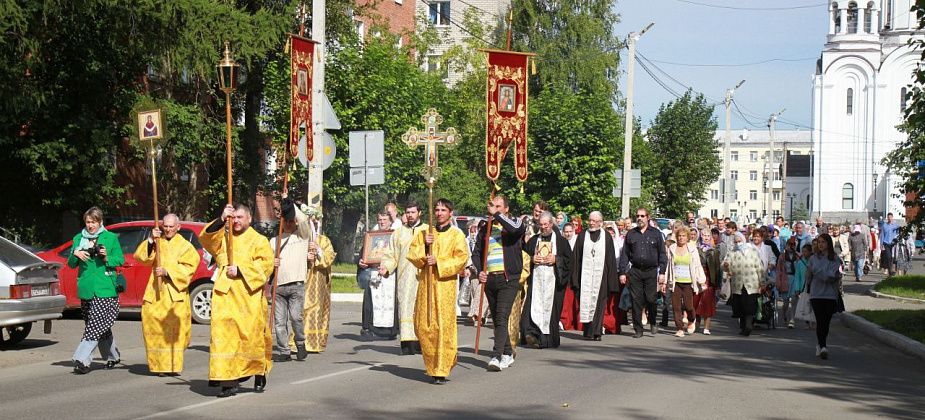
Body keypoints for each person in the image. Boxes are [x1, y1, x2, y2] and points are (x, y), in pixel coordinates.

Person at [199, 203, 274, 397]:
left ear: (249, 219)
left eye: (240, 217)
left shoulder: (259, 240)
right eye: (234, 217)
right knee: (223, 339)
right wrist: (221, 218)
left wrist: (240, 270)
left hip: (247, 296)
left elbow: (266, 267)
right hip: (224, 295)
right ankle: (228, 382)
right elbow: (206, 239)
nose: (237, 221)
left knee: (249, 338)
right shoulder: (224, 237)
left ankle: (258, 370)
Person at [407, 198, 469, 384]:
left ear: (450, 213)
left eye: (443, 210)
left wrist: (439, 263)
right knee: (423, 325)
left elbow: (461, 259)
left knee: (443, 327)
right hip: (426, 284)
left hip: (445, 286)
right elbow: (412, 254)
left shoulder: (457, 235)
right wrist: (425, 247)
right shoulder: (426, 233)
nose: (439, 213)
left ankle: (441, 367)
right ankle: (432, 363)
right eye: (437, 209)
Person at [133, 213, 200, 375]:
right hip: (156, 294)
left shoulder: (185, 246)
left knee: (176, 332)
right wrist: (150, 240)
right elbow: (142, 258)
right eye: (166, 226)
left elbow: (191, 266)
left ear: (178, 227)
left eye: (171, 226)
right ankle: (159, 366)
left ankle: (172, 365)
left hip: (174, 295)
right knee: (154, 330)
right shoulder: (157, 242)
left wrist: (168, 271)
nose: (168, 230)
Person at [472, 195, 526, 371]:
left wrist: (496, 215)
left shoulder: (515, 223)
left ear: (506, 209)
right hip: (490, 278)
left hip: (508, 278)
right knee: (497, 319)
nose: (494, 208)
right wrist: (480, 271)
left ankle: (496, 355)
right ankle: (508, 352)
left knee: (502, 316)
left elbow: (514, 231)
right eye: (492, 206)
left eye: (499, 206)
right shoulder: (485, 228)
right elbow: (477, 252)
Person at [69, 207, 125, 374]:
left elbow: (120, 259)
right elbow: (71, 264)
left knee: (94, 325)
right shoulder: (78, 238)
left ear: (100, 222)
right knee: (98, 325)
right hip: (87, 287)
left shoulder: (110, 238)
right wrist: (76, 254)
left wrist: (107, 256)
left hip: (105, 288)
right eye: (88, 222)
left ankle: (82, 359)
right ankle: (113, 356)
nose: (90, 225)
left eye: (93, 222)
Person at [380, 202, 428, 355]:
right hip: (404, 277)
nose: (410, 215)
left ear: (419, 213)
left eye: (413, 212)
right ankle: (407, 344)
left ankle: (422, 342)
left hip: (423, 276)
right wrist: (386, 267)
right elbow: (391, 254)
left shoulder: (428, 230)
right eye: (408, 212)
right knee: (405, 308)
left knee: (422, 308)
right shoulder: (398, 233)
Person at [267, 199, 312, 362]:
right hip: (278, 286)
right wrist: (272, 262)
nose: (288, 223)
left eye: (291, 220)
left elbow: (305, 221)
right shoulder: (274, 241)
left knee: (295, 317)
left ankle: (300, 344)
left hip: (296, 285)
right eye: (286, 221)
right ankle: (284, 350)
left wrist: (289, 205)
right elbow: (266, 262)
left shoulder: (302, 237)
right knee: (279, 321)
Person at [522, 212, 572, 348]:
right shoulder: (533, 241)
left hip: (553, 284)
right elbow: (524, 258)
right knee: (532, 308)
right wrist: (532, 259)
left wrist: (556, 259)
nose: (544, 227)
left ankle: (547, 340)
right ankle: (534, 336)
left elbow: (569, 261)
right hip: (536, 283)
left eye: (546, 224)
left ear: (551, 224)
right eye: (541, 225)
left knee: (551, 311)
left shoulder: (561, 242)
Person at [569, 211, 619, 340]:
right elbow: (576, 257)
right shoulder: (582, 236)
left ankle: (596, 332)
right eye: (590, 220)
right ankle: (588, 330)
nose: (591, 223)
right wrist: (574, 278)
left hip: (601, 276)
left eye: (594, 221)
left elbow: (611, 260)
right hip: (584, 276)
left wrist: (611, 281)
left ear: (600, 222)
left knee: (599, 303)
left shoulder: (606, 237)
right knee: (586, 301)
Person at [619, 208, 668, 339]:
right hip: (635, 271)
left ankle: (652, 321)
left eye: (642, 216)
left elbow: (662, 254)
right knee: (636, 300)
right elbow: (625, 254)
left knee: (651, 299)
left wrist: (662, 272)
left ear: (648, 217)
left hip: (651, 271)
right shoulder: (631, 234)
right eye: (637, 216)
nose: (639, 218)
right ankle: (638, 329)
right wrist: (622, 272)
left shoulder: (656, 234)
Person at [359, 212, 397, 339]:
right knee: (372, 301)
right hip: (374, 273)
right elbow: (364, 254)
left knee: (389, 300)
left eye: (385, 219)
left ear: (390, 221)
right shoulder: (372, 237)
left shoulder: (395, 236)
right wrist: (362, 262)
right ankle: (371, 328)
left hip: (389, 274)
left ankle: (389, 331)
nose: (382, 222)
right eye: (380, 219)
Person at [302, 215, 336, 353]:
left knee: (315, 307)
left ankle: (313, 342)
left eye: (315, 222)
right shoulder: (301, 239)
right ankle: (299, 341)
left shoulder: (324, 240)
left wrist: (318, 251)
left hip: (318, 281)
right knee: (300, 310)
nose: (313, 225)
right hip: (302, 278)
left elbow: (329, 257)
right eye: (310, 222)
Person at [806, 234, 843, 360]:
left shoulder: (835, 259)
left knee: (826, 322)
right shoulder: (813, 258)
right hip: (816, 294)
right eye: (819, 242)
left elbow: (831, 276)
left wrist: (817, 272)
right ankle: (823, 346)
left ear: (829, 243)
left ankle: (820, 343)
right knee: (820, 320)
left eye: (823, 242)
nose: (821, 244)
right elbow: (809, 276)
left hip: (830, 295)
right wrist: (808, 281)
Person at [666, 226, 707, 337]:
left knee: (689, 306)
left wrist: (702, 281)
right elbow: (668, 266)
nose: (681, 238)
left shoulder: (692, 248)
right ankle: (679, 328)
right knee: (676, 306)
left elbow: (698, 266)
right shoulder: (672, 248)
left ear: (687, 237)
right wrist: (665, 281)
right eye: (679, 236)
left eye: (683, 236)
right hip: (676, 282)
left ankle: (691, 320)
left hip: (689, 282)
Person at [724, 232, 765, 336]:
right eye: (736, 242)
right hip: (737, 283)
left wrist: (762, 282)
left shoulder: (753, 252)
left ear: (744, 240)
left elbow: (759, 267)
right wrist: (726, 265)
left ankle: (748, 326)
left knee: (750, 305)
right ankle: (743, 326)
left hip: (751, 283)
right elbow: (725, 264)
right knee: (740, 306)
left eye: (740, 241)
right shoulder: (732, 252)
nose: (738, 244)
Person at [694, 228, 722, 335]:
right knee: (696, 301)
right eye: (703, 235)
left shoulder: (714, 251)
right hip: (698, 277)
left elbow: (718, 269)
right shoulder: (696, 249)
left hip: (710, 279)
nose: (705, 238)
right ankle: (696, 325)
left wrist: (718, 284)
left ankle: (706, 327)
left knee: (708, 303)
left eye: (707, 236)